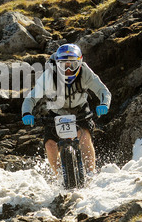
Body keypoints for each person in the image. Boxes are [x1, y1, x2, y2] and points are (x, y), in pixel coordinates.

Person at [21, 44, 111, 176]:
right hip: (56, 111)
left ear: (79, 63)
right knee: (50, 145)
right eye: (64, 65)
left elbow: (103, 91)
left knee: (84, 137)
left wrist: (104, 104)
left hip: (80, 109)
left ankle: (91, 173)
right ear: (57, 64)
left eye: (72, 65)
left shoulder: (85, 72)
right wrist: (27, 113)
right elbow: (31, 98)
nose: (68, 69)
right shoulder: (48, 76)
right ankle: (59, 176)